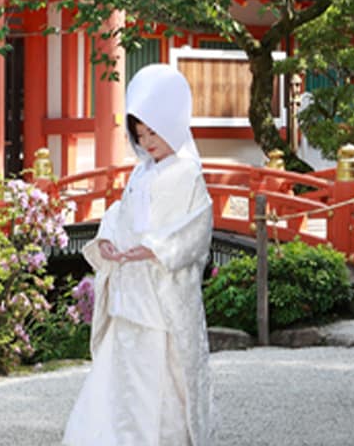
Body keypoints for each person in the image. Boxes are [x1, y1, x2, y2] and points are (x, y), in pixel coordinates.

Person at [62, 64, 214, 446]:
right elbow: (119, 214)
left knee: (161, 380)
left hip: (162, 291)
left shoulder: (188, 173)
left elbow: (197, 227)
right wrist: (107, 240)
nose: (147, 142)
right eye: (140, 133)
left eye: (154, 131)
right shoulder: (140, 173)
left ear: (175, 123)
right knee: (119, 376)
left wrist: (158, 247)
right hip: (131, 288)